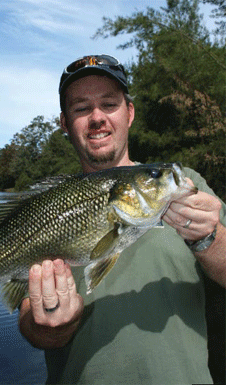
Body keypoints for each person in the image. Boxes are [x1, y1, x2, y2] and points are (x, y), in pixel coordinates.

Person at [19, 54, 226, 384]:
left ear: (128, 113)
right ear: (64, 123)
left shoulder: (186, 184)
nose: (97, 117)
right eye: (81, 108)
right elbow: (31, 324)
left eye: (109, 104)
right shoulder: (47, 210)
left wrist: (209, 237)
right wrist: (52, 327)